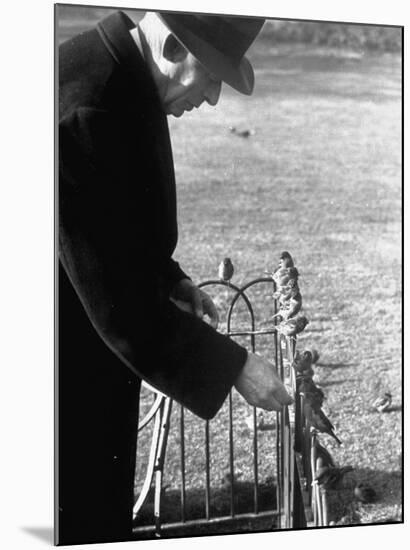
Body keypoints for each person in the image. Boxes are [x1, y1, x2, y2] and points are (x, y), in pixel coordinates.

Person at [58, 9, 292, 545]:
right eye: (211, 78)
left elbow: (110, 226)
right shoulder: (86, 105)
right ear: (171, 50)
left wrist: (168, 278)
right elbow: (115, 303)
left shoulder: (125, 80)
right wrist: (235, 366)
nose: (211, 99)